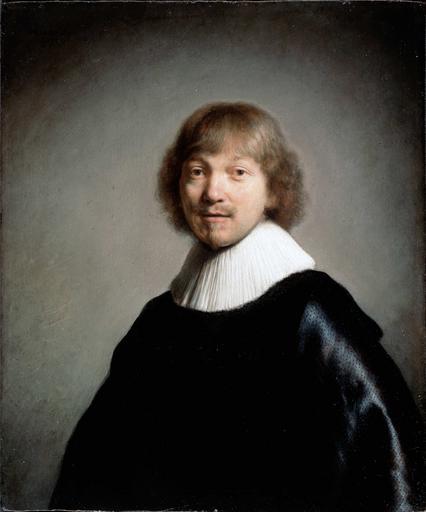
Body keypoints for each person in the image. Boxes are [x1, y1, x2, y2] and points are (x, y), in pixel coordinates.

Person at [50, 102, 425, 511]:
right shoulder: (157, 322)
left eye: (238, 172)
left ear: (273, 190)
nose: (213, 192)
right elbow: (91, 469)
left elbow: (392, 465)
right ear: (177, 185)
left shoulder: (313, 313)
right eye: (197, 171)